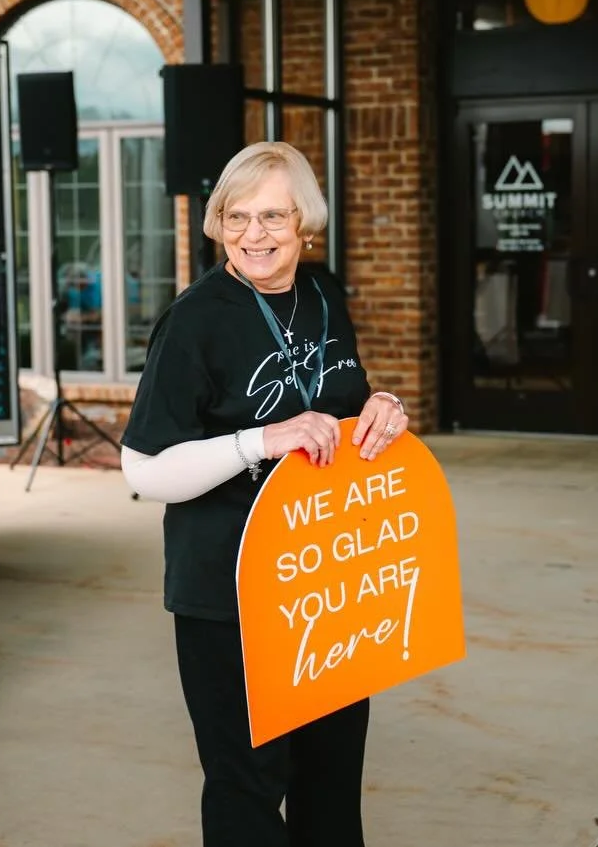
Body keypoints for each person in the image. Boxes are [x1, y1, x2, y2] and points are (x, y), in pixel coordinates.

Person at [119, 141, 410, 847]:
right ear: (217, 223)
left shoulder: (322, 292)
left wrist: (381, 407)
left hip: (329, 581)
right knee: (247, 790)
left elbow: (338, 399)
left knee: (333, 784)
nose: (256, 234)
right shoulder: (194, 320)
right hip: (230, 594)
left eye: (273, 215)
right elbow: (143, 468)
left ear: (304, 221)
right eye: (238, 216)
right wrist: (260, 440)